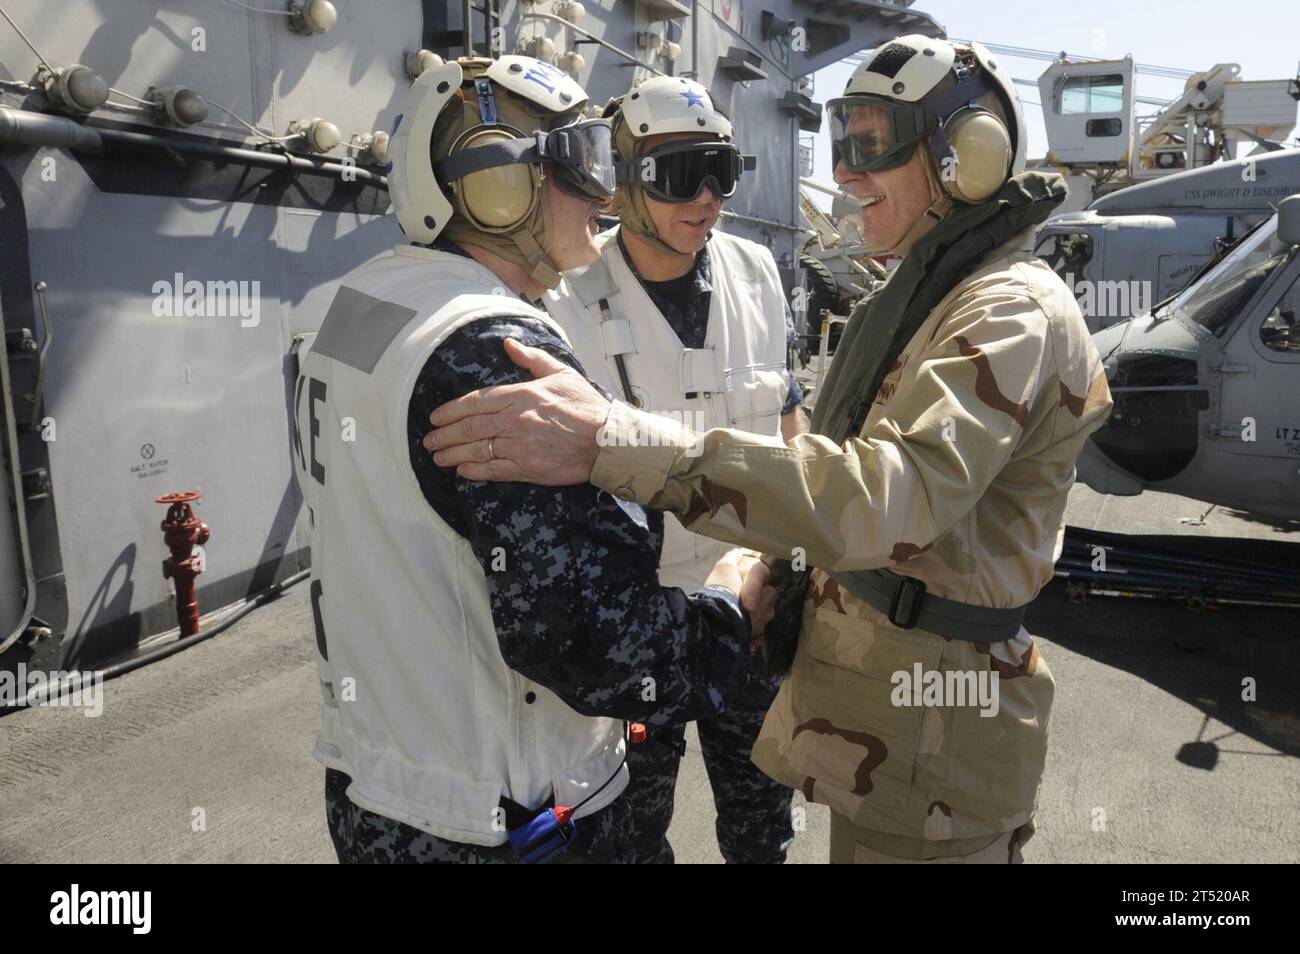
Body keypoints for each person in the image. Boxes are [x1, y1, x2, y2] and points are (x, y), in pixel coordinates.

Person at [421, 36, 1115, 864]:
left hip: (925, 730)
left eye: (871, 148)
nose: (847, 175)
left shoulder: (1003, 312)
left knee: (760, 836)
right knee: (634, 833)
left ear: (969, 155)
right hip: (712, 645)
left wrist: (614, 440)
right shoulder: (927, 296)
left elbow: (882, 497)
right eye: (842, 144)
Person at [293, 54, 773, 864]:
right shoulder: (489, 347)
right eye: (581, 164)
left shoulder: (351, 307)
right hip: (513, 814)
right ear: (494, 185)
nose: (601, 194)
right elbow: (589, 641)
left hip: (378, 792)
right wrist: (731, 612)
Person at [541, 75, 797, 864]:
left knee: (763, 830)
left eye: (722, 170)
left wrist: (783, 572)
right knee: (631, 837)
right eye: (682, 174)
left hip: (750, 609)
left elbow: (789, 420)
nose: (708, 197)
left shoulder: (757, 275)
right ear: (626, 180)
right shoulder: (565, 297)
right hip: (642, 629)